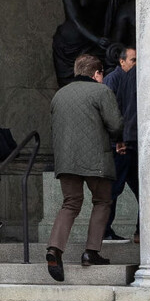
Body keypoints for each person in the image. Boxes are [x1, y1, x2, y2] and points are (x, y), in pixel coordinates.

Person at [48, 55, 122, 281]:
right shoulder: (102, 92)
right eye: (101, 74)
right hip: (96, 159)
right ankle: (91, 251)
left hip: (66, 160)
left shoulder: (60, 94)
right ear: (97, 73)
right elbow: (116, 125)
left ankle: (54, 249)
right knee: (102, 201)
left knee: (70, 203)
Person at [106, 42, 139, 238]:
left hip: (126, 144)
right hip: (120, 146)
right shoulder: (115, 79)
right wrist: (118, 140)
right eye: (133, 60)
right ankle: (104, 230)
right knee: (113, 190)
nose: (136, 64)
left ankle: (140, 231)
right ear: (122, 61)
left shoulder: (128, 78)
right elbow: (113, 113)